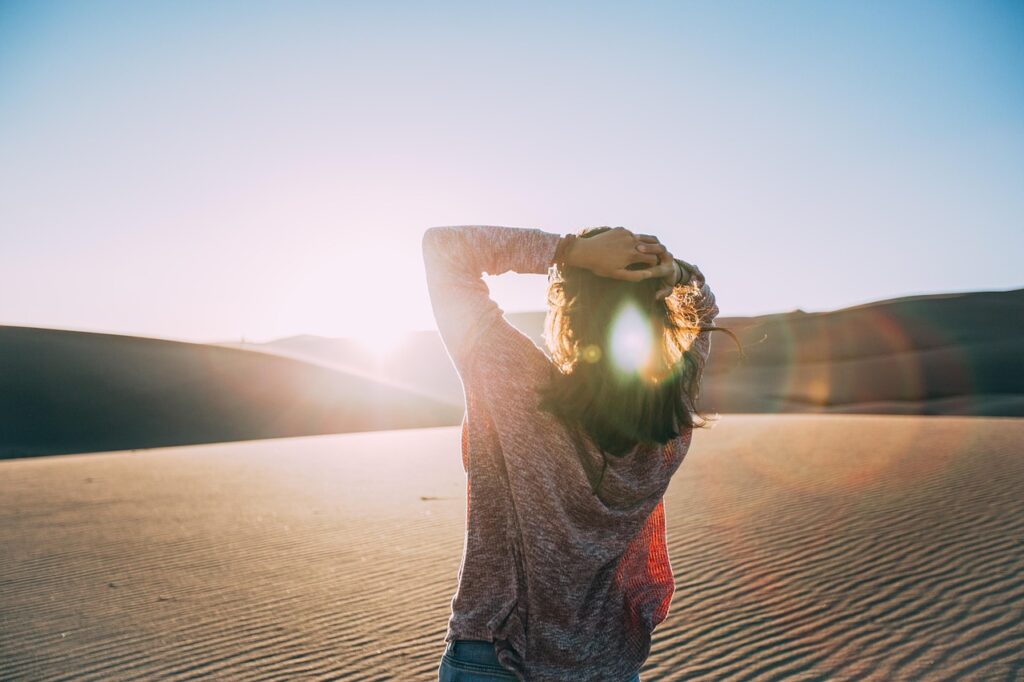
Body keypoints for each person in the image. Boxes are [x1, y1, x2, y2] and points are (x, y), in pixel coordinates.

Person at [423, 225, 741, 681]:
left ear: (567, 307)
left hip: (496, 656)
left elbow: (444, 249)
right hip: (607, 667)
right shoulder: (666, 423)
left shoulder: (511, 377)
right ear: (660, 311)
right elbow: (702, 308)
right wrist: (673, 271)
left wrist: (569, 251)